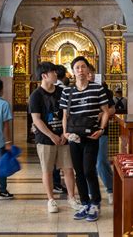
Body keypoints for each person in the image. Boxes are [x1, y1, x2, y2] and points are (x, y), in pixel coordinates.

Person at [60, 56, 110, 222]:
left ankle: (95, 203)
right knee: (79, 172)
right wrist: (65, 133)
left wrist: (102, 129)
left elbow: (106, 111)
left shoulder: (97, 89)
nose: (80, 70)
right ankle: (85, 203)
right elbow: (65, 115)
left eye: (83, 67)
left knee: (89, 170)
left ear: (88, 70)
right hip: (74, 137)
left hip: (91, 136)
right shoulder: (67, 91)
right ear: (73, 72)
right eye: (77, 68)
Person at [29, 62, 80, 213]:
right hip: (45, 139)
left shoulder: (62, 91)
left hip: (63, 136)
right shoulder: (35, 96)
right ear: (44, 75)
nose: (55, 74)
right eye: (52, 72)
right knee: (48, 170)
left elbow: (67, 113)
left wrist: (65, 133)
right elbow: (36, 119)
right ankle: (51, 200)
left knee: (68, 168)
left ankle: (72, 197)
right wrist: (51, 135)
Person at [88, 65, 115, 205]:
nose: (90, 75)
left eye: (92, 72)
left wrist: (102, 114)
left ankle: (111, 190)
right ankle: (90, 192)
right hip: (85, 132)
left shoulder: (104, 90)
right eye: (88, 73)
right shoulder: (79, 91)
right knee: (87, 164)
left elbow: (112, 109)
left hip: (101, 130)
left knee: (100, 161)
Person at [52, 65, 68, 194]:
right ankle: (57, 182)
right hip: (61, 128)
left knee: (54, 159)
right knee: (62, 159)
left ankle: (56, 182)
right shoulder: (64, 90)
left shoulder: (51, 89)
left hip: (52, 126)